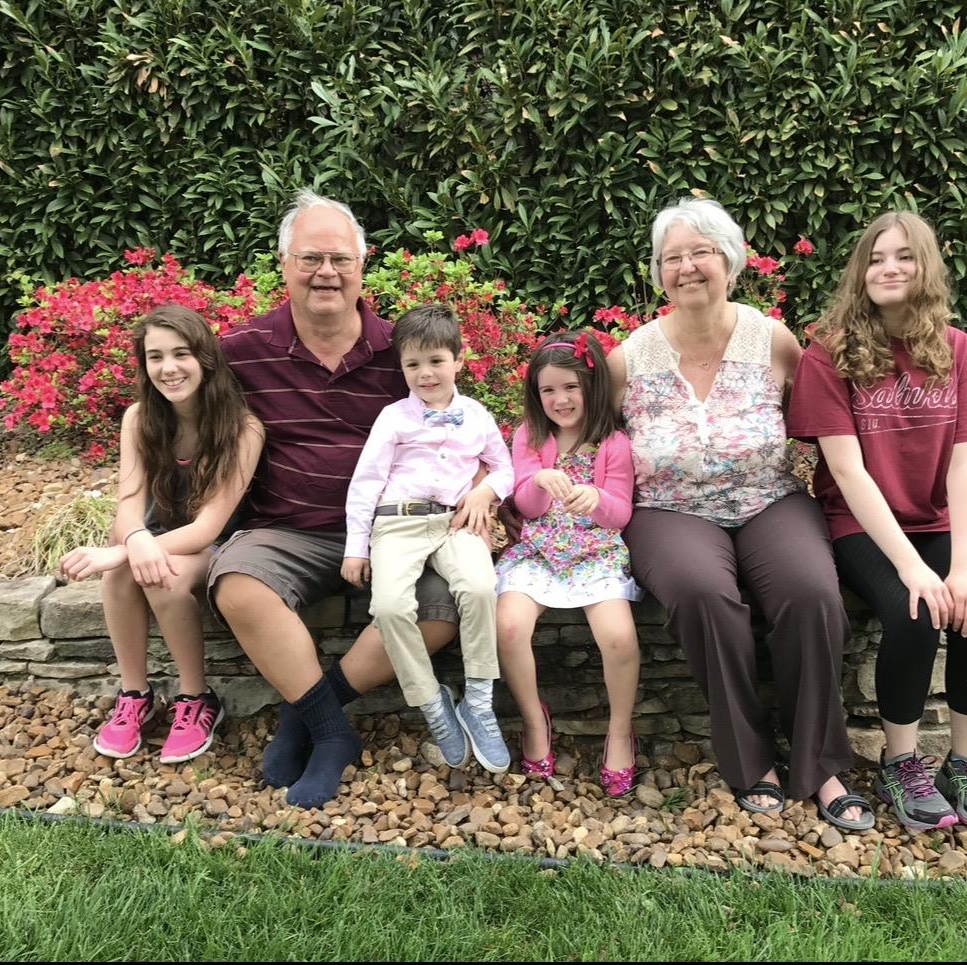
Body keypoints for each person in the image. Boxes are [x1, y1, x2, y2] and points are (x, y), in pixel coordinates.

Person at [608, 197, 873, 832]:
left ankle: (821, 763)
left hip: (769, 500)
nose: (687, 267)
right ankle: (752, 761)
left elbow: (831, 424)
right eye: (672, 258)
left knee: (812, 593)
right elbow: (578, 435)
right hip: (669, 509)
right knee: (703, 595)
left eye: (701, 253)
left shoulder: (772, 340)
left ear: (729, 262)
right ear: (658, 274)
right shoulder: (629, 357)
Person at [207, 189, 461, 809]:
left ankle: (306, 718)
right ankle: (332, 733)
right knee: (239, 584)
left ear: (362, 265)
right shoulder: (243, 352)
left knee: (446, 605)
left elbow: (457, 434)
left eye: (341, 259)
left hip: (390, 532)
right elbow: (189, 431)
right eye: (310, 258)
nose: (327, 272)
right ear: (284, 263)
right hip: (287, 529)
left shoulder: (400, 353)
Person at [786, 211, 967, 835]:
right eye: (877, 257)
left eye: (904, 256)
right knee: (914, 614)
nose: (889, 267)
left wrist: (964, 567)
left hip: (938, 520)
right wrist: (912, 569)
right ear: (861, 271)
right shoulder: (828, 353)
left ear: (926, 268)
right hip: (859, 523)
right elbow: (849, 474)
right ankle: (901, 761)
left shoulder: (959, 350)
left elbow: (966, 468)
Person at [59, 304, 264, 764]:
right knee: (122, 575)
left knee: (161, 578)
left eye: (181, 354)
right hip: (154, 538)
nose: (168, 368)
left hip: (221, 546)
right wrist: (132, 543)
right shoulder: (139, 419)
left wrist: (123, 552)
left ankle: (196, 699)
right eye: (155, 357)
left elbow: (208, 526)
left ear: (206, 359)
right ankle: (135, 694)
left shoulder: (244, 429)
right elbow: (128, 506)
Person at [341, 304, 514, 772]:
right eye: (412, 364)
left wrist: (483, 492)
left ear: (458, 360)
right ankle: (432, 702)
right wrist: (357, 546)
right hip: (397, 524)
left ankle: (477, 701)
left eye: (436, 360)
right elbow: (366, 482)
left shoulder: (476, 415)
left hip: (456, 523)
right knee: (392, 607)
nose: (425, 373)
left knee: (479, 588)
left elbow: (505, 468)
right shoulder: (393, 418)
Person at [495, 330, 643, 796]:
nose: (560, 399)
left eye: (570, 387)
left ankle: (620, 730)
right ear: (536, 395)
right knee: (510, 627)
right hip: (538, 553)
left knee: (619, 636)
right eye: (548, 389)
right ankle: (534, 719)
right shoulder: (530, 437)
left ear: (591, 386)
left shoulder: (612, 442)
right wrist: (540, 478)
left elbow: (620, 514)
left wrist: (595, 498)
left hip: (595, 555)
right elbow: (527, 506)